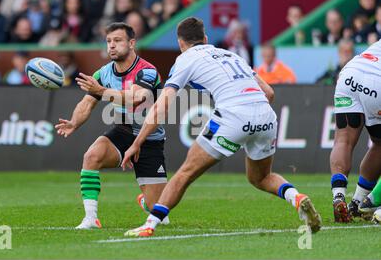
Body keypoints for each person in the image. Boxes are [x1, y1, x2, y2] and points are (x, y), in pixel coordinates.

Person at [121, 17, 321, 237]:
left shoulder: (185, 59)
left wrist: (138, 142)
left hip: (232, 115)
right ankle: (297, 198)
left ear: (181, 43)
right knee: (261, 177)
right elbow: (269, 93)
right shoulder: (231, 55)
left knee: (185, 173)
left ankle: (149, 225)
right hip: (265, 114)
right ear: (205, 39)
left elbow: (162, 105)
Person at [54, 22, 169, 230]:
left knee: (157, 207)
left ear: (132, 43)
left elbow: (136, 99)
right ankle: (91, 218)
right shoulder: (104, 73)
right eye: (108, 41)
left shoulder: (148, 71)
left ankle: (146, 202)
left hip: (148, 138)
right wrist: (74, 123)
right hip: (123, 131)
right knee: (91, 156)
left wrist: (101, 91)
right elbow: (86, 103)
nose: (112, 46)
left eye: (117, 41)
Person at [330, 39, 381, 222]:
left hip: (351, 73)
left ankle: (339, 195)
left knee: (343, 140)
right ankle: (359, 201)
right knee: (379, 145)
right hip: (377, 81)